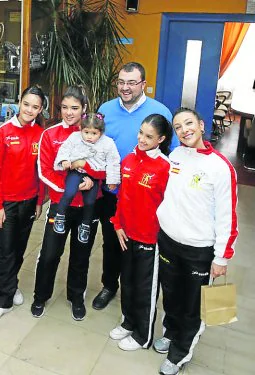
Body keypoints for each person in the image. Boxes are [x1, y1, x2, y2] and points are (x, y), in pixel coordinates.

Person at [153, 108, 238, 375]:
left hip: (198, 249)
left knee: (192, 305)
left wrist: (221, 257)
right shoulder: (175, 156)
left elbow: (227, 215)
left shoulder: (220, 166)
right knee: (171, 293)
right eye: (178, 127)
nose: (184, 130)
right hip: (168, 241)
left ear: (201, 125)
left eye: (189, 123)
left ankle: (180, 352)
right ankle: (171, 331)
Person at [93, 62, 177, 310]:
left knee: (141, 248)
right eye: (121, 82)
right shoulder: (105, 110)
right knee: (111, 243)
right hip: (111, 193)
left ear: (143, 84)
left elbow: (170, 155)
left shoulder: (160, 112)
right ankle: (109, 285)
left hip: (145, 197)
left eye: (131, 82)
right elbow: (94, 144)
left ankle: (137, 297)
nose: (125, 87)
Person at [32, 85, 105, 321]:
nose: (69, 112)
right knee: (50, 254)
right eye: (64, 107)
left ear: (84, 109)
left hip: (86, 208)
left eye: (74, 108)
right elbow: (44, 171)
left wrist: (93, 183)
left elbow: (107, 166)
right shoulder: (50, 135)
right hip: (60, 205)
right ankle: (40, 296)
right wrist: (68, 189)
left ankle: (76, 298)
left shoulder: (97, 135)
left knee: (81, 255)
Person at [107, 114, 172, 351]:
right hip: (126, 234)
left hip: (150, 239)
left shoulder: (165, 167)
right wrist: (117, 224)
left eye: (149, 136)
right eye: (141, 133)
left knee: (145, 288)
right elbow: (123, 198)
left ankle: (142, 336)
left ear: (161, 139)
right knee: (128, 281)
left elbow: (170, 205)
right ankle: (128, 322)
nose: (142, 139)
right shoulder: (129, 159)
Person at [0, 85, 46, 322]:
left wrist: (39, 201)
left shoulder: (41, 134)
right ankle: (4, 300)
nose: (30, 110)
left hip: (29, 201)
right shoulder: (3, 132)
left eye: (35, 107)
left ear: (40, 109)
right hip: (6, 205)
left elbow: (41, 172)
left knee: (19, 250)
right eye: (26, 104)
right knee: (7, 252)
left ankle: (12, 285)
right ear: (19, 103)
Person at [53, 113, 120, 242]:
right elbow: (64, 150)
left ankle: (85, 225)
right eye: (86, 132)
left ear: (101, 132)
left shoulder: (108, 143)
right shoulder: (74, 138)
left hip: (94, 175)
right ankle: (60, 216)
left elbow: (113, 161)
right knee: (69, 192)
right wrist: (64, 161)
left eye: (94, 133)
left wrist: (112, 180)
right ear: (80, 129)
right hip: (76, 171)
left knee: (90, 202)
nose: (89, 137)